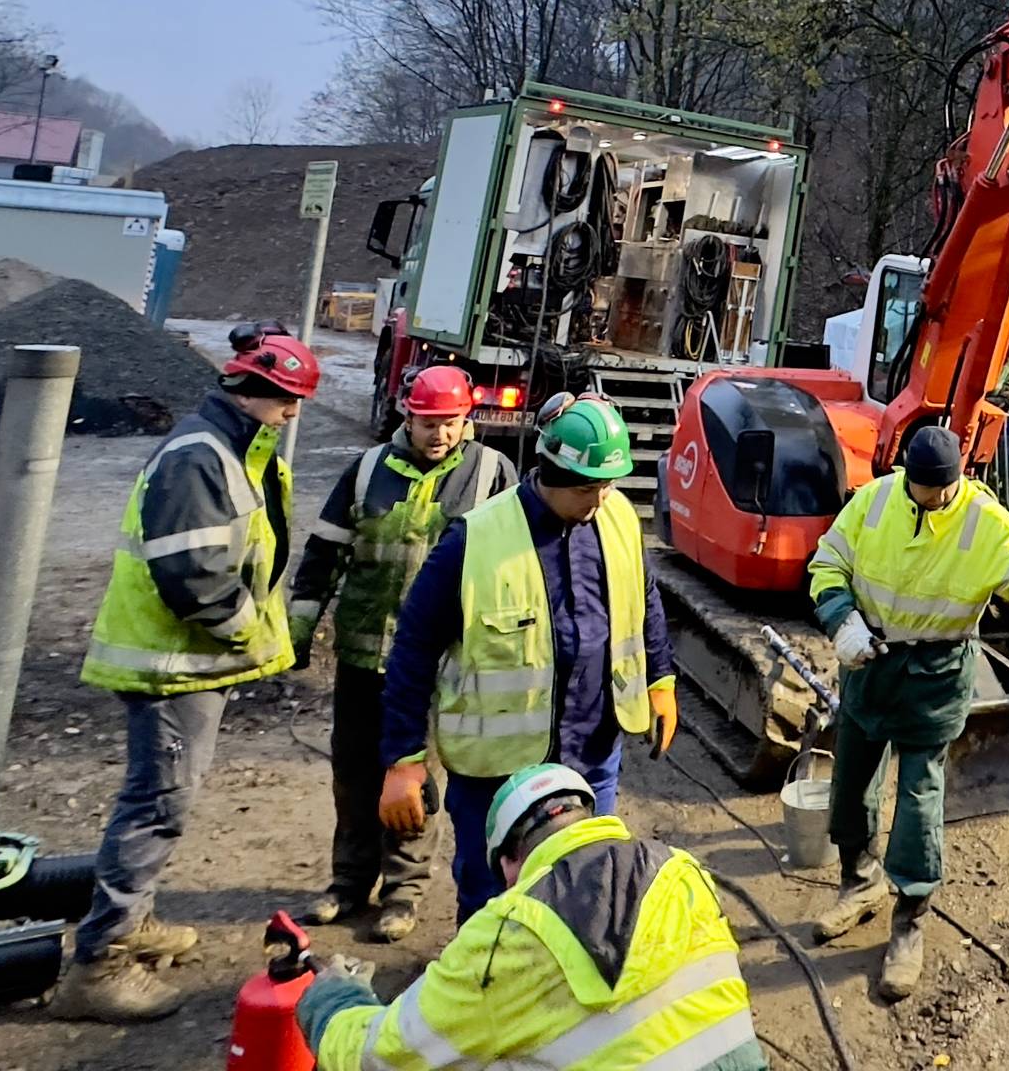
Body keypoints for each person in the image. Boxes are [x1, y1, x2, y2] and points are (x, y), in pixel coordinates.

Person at [51, 324, 319, 1022]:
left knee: (161, 801)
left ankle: (130, 922)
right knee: (156, 807)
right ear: (249, 390)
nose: (292, 413)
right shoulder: (202, 456)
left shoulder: (228, 448)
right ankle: (100, 965)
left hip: (187, 667)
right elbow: (193, 576)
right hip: (172, 667)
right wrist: (246, 632)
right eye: (286, 399)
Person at [804, 424, 1009, 1000]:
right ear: (907, 476)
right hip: (870, 668)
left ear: (958, 478)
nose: (932, 499)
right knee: (852, 783)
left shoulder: (983, 520)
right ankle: (860, 882)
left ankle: (909, 919)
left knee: (919, 798)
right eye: (921, 489)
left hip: (937, 676)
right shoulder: (874, 501)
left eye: (941, 491)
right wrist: (843, 621)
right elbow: (827, 564)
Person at [379, 395, 682, 921]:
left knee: (587, 883)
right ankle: (486, 972)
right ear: (550, 472)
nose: (599, 499)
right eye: (586, 488)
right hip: (497, 768)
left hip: (591, 750)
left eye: (608, 485)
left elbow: (644, 598)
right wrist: (403, 758)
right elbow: (413, 647)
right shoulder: (474, 540)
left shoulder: (616, 519)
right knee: (493, 897)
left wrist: (660, 678)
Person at [297, 763, 767, 1071]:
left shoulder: (508, 932)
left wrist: (333, 1001)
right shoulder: (681, 872)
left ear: (508, 860)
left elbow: (388, 1056)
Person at [287, 365, 519, 941]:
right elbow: (325, 551)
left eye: (451, 422)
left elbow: (516, 568)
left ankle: (403, 892)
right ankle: (348, 881)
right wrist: (299, 628)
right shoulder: (368, 471)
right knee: (354, 774)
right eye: (428, 423)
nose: (440, 434)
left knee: (415, 782)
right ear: (406, 416)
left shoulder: (492, 473)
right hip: (364, 657)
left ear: (467, 419)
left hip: (439, 664)